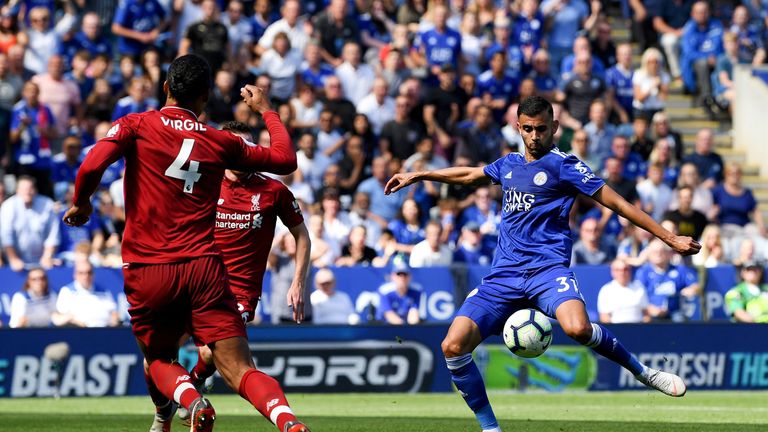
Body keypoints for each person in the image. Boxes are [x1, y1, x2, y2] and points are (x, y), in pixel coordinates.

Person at [385, 96, 700, 432]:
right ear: (518, 128)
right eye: (528, 129)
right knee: (452, 346)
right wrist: (421, 174)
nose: (534, 136)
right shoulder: (507, 165)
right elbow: (469, 175)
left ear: (555, 128)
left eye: (541, 129)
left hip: (547, 272)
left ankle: (644, 373)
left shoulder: (565, 166)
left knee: (578, 328)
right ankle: (491, 429)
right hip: (503, 277)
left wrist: (668, 237)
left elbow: (618, 203)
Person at [62, 55, 309, 432]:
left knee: (158, 359)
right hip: (205, 269)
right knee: (241, 369)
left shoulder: (137, 124)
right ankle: (289, 422)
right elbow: (285, 157)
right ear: (206, 97)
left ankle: (193, 402)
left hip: (150, 268)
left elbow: (93, 164)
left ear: (165, 88)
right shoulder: (221, 141)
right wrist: (267, 110)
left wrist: (82, 202)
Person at [179, 120, 311, 423]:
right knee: (160, 353)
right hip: (195, 281)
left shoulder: (273, 190)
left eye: (248, 146)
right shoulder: (203, 182)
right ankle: (173, 402)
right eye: (236, 146)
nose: (243, 152)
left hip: (238, 291)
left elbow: (302, 235)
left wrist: (298, 282)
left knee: (215, 354)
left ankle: (193, 384)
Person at [0, 176, 59, 271]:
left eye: (30, 188)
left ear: (35, 190)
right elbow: (6, 236)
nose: (27, 192)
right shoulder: (8, 206)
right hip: (14, 263)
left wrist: (47, 256)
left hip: (42, 262)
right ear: (17, 190)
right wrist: (13, 259)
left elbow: (53, 234)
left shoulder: (47, 204)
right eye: (24, 189)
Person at [634, 239, 699, 322]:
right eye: (655, 252)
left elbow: (695, 285)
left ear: (668, 253)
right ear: (649, 255)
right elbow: (637, 295)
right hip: (651, 314)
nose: (658, 254)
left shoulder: (679, 269)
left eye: (661, 251)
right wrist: (650, 309)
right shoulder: (643, 272)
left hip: (676, 312)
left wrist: (691, 289)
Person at [55, 260, 120, 327]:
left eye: (89, 273)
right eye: (81, 273)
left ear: (93, 274)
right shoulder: (67, 291)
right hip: (78, 332)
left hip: (105, 331)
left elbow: (113, 313)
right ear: (75, 275)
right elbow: (60, 316)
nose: (86, 276)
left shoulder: (104, 291)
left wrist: (114, 323)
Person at [597, 259, 649, 324]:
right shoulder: (606, 290)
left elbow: (646, 314)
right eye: (618, 270)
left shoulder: (639, 287)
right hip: (616, 330)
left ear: (630, 271)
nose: (622, 273)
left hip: (639, 328)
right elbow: (604, 317)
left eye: (625, 269)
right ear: (612, 272)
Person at [377, 260, 421, 325]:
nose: (402, 278)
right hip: (385, 327)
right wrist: (403, 329)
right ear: (393, 276)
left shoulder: (416, 290)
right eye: (399, 274)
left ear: (410, 277)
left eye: (405, 274)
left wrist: (411, 330)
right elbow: (389, 315)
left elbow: (414, 315)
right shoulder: (385, 291)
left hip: (405, 328)